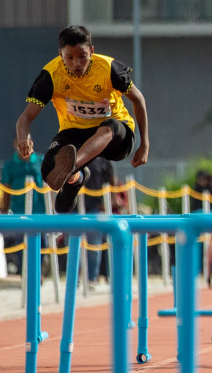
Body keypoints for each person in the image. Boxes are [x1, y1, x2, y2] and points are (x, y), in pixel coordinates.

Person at [13, 24, 150, 215]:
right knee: (48, 171)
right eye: (70, 57)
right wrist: (23, 139)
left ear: (91, 51)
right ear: (60, 54)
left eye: (82, 56)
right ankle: (75, 178)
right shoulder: (51, 76)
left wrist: (144, 144)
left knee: (108, 127)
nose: (77, 63)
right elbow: (25, 118)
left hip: (117, 135)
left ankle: (72, 167)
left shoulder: (109, 68)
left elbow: (138, 99)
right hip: (75, 131)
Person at [0, 149, 43, 274]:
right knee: (21, 243)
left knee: (42, 243)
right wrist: (4, 210)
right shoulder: (10, 165)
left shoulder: (41, 161)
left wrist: (52, 207)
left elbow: (48, 186)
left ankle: (37, 271)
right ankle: (26, 271)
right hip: (19, 210)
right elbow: (7, 188)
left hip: (40, 210)